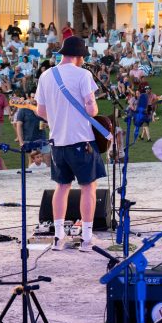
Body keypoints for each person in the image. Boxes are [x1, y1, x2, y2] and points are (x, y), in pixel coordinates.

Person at [35, 36, 106, 251]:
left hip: (57, 142)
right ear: (79, 56)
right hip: (81, 140)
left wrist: (59, 118)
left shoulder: (46, 75)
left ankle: (58, 237)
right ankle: (86, 238)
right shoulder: (83, 75)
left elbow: (40, 111)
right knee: (88, 187)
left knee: (62, 187)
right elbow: (92, 110)